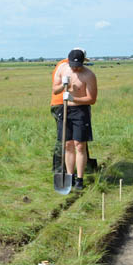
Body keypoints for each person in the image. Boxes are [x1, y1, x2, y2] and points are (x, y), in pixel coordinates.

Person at [51, 48, 98, 190]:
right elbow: (55, 90)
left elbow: (92, 99)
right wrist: (63, 85)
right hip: (65, 110)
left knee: (79, 145)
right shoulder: (62, 69)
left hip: (80, 112)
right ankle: (69, 177)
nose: (75, 68)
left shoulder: (89, 75)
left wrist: (74, 98)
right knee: (68, 145)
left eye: (78, 65)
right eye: (73, 65)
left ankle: (80, 179)